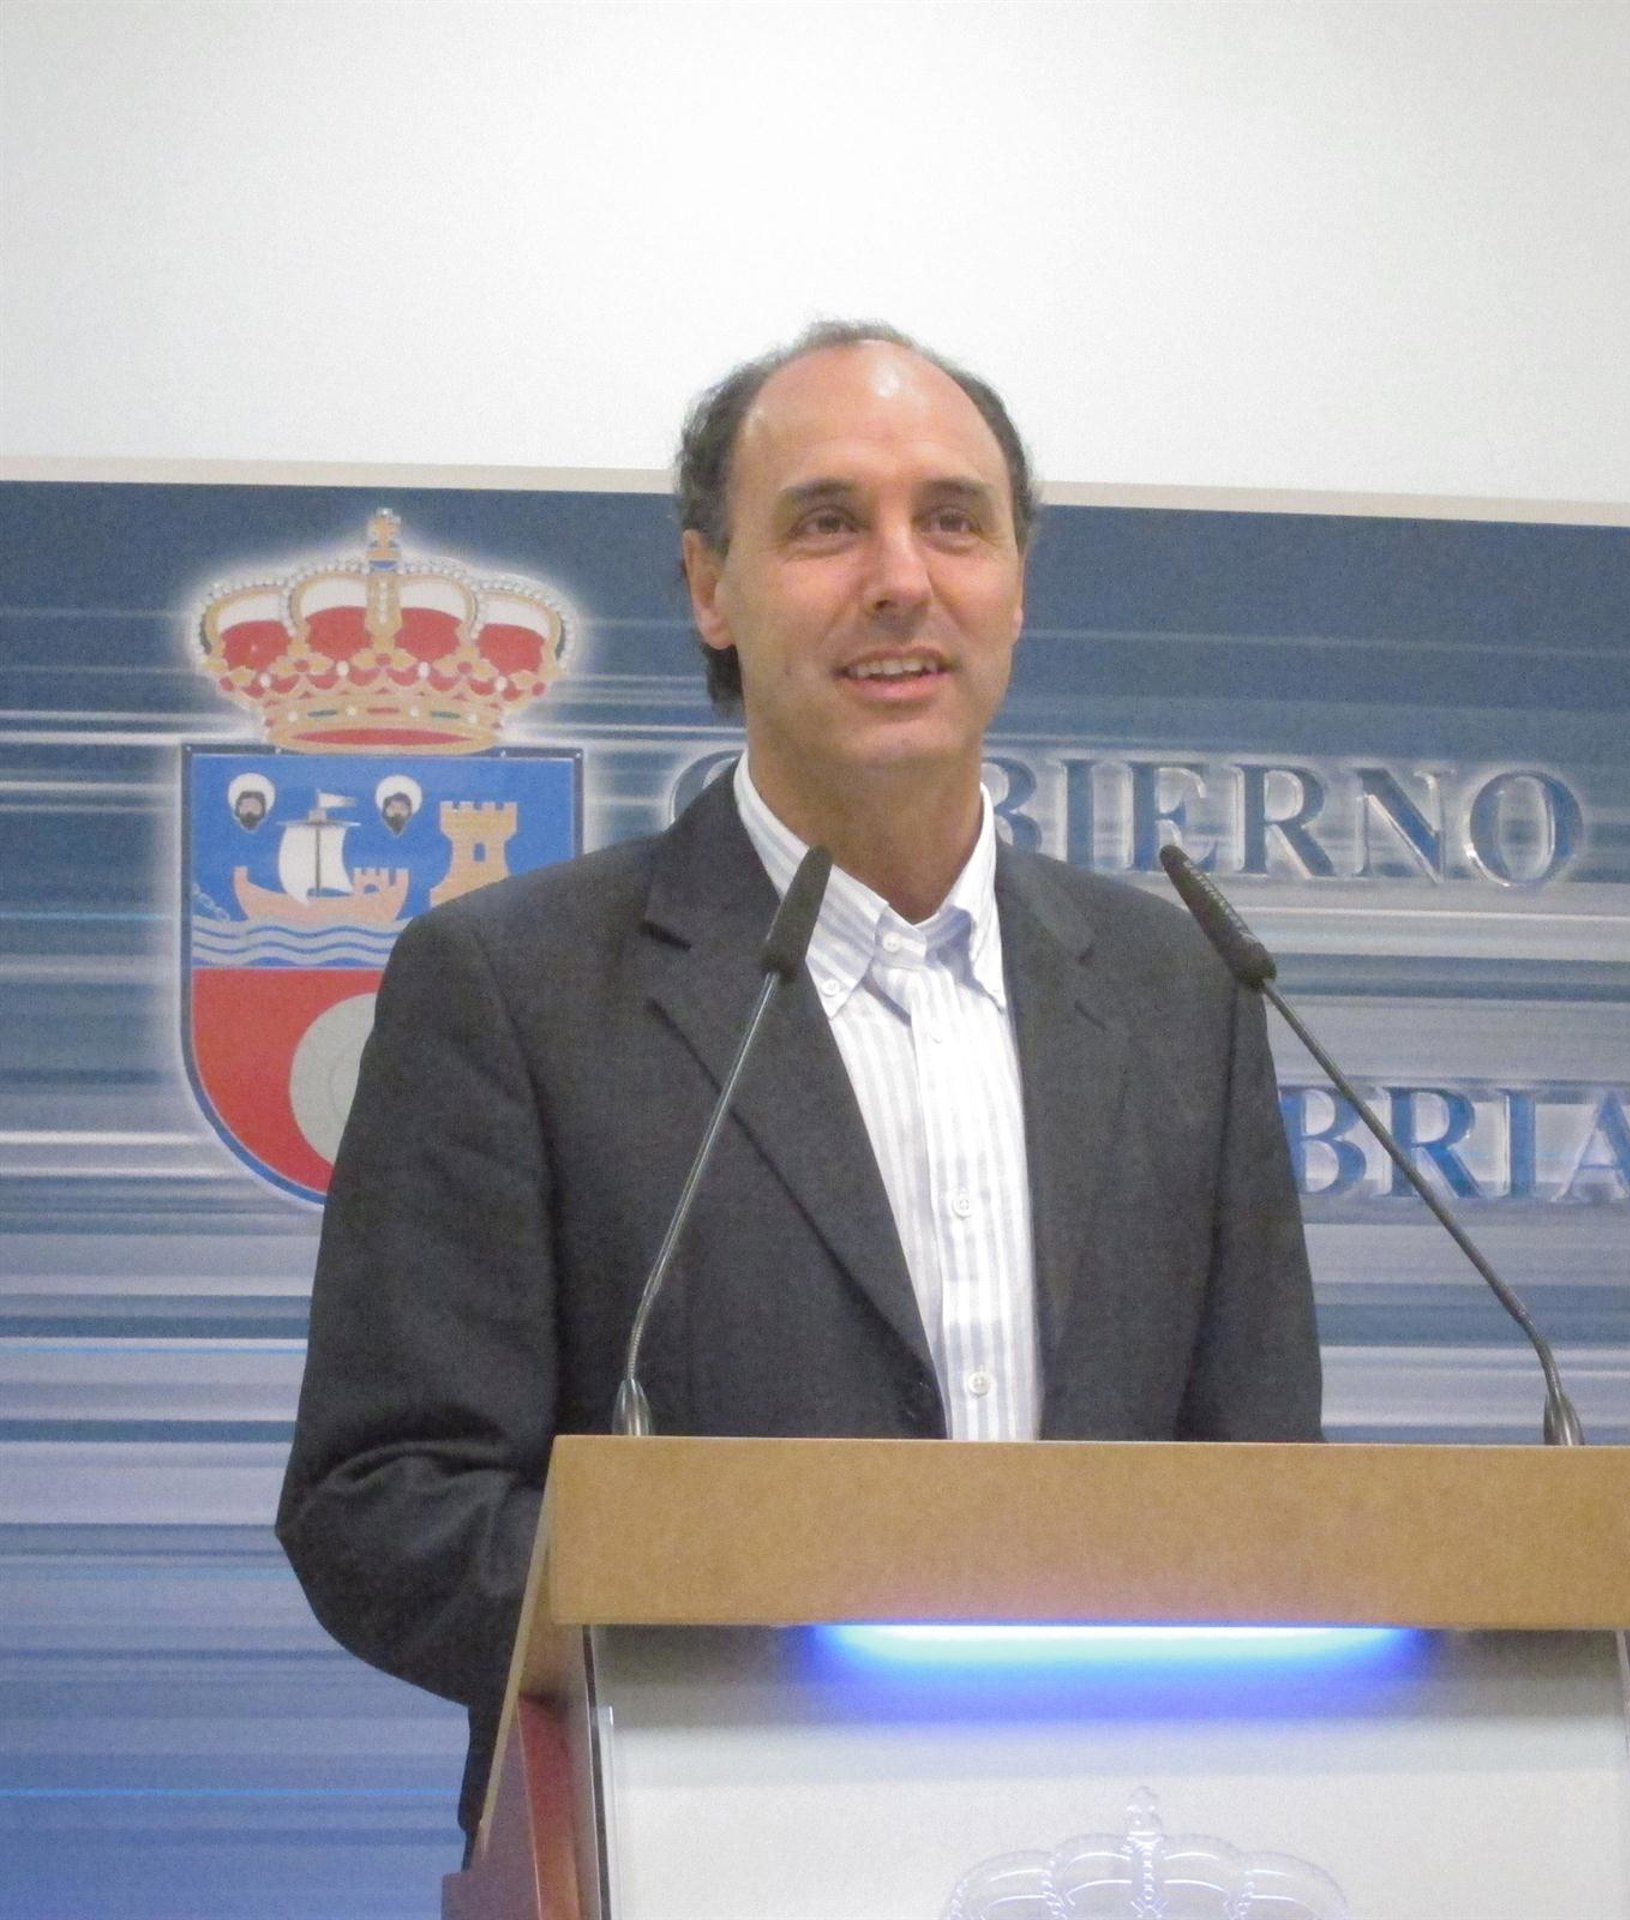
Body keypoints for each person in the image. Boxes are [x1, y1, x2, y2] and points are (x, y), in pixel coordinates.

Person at [277, 320, 1323, 1840]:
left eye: (954, 522)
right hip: (696, 1835)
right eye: (828, 524)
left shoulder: (1181, 992)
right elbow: (385, 1505)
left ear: (1018, 582)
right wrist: (766, 1621)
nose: (901, 578)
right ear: (711, 587)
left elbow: (1268, 1493)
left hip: (1111, 1837)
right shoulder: (512, 987)